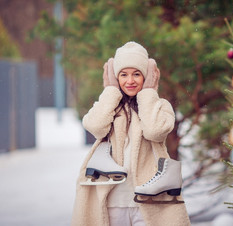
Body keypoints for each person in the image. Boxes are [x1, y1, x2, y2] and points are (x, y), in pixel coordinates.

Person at [71, 41, 190, 226]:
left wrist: (149, 93)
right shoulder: (109, 107)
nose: (130, 80)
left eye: (137, 74)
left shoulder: (159, 106)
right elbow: (95, 126)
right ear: (115, 77)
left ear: (147, 76)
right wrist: (110, 90)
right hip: (111, 201)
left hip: (148, 202)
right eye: (123, 75)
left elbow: (154, 131)